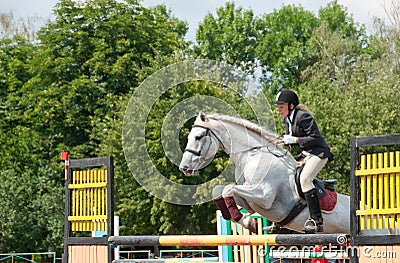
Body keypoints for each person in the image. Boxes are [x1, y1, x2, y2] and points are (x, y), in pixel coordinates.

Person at [275, 89, 333, 233]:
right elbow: (289, 137)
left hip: (319, 153)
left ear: (291, 106)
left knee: (305, 179)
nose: (279, 110)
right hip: (306, 153)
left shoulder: (303, 117)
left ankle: (316, 220)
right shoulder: (287, 119)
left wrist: (295, 139)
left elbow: (315, 138)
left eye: (281, 106)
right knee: (287, 176)